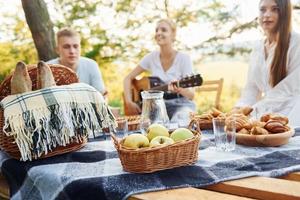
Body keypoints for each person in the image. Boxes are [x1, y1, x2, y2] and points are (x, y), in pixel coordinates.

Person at [235, 0, 300, 127]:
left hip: (293, 115)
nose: (267, 15)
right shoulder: (257, 48)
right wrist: (238, 109)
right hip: (265, 115)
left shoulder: (296, 43)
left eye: (274, 9)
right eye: (263, 10)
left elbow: (287, 90)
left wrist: (252, 112)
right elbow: (251, 88)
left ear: (285, 14)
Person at [123, 19, 196, 122]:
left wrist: (180, 89)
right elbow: (127, 78)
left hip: (181, 105)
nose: (158, 33)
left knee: (181, 120)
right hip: (157, 106)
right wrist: (129, 102)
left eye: (163, 30)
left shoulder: (184, 58)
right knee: (148, 125)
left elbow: (191, 95)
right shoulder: (151, 57)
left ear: (173, 35)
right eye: (156, 30)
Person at [47, 27, 108, 97]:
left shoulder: (91, 65)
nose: (72, 51)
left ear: (80, 47)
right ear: (57, 49)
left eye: (75, 46)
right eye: (66, 47)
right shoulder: (47, 68)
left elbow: (101, 96)